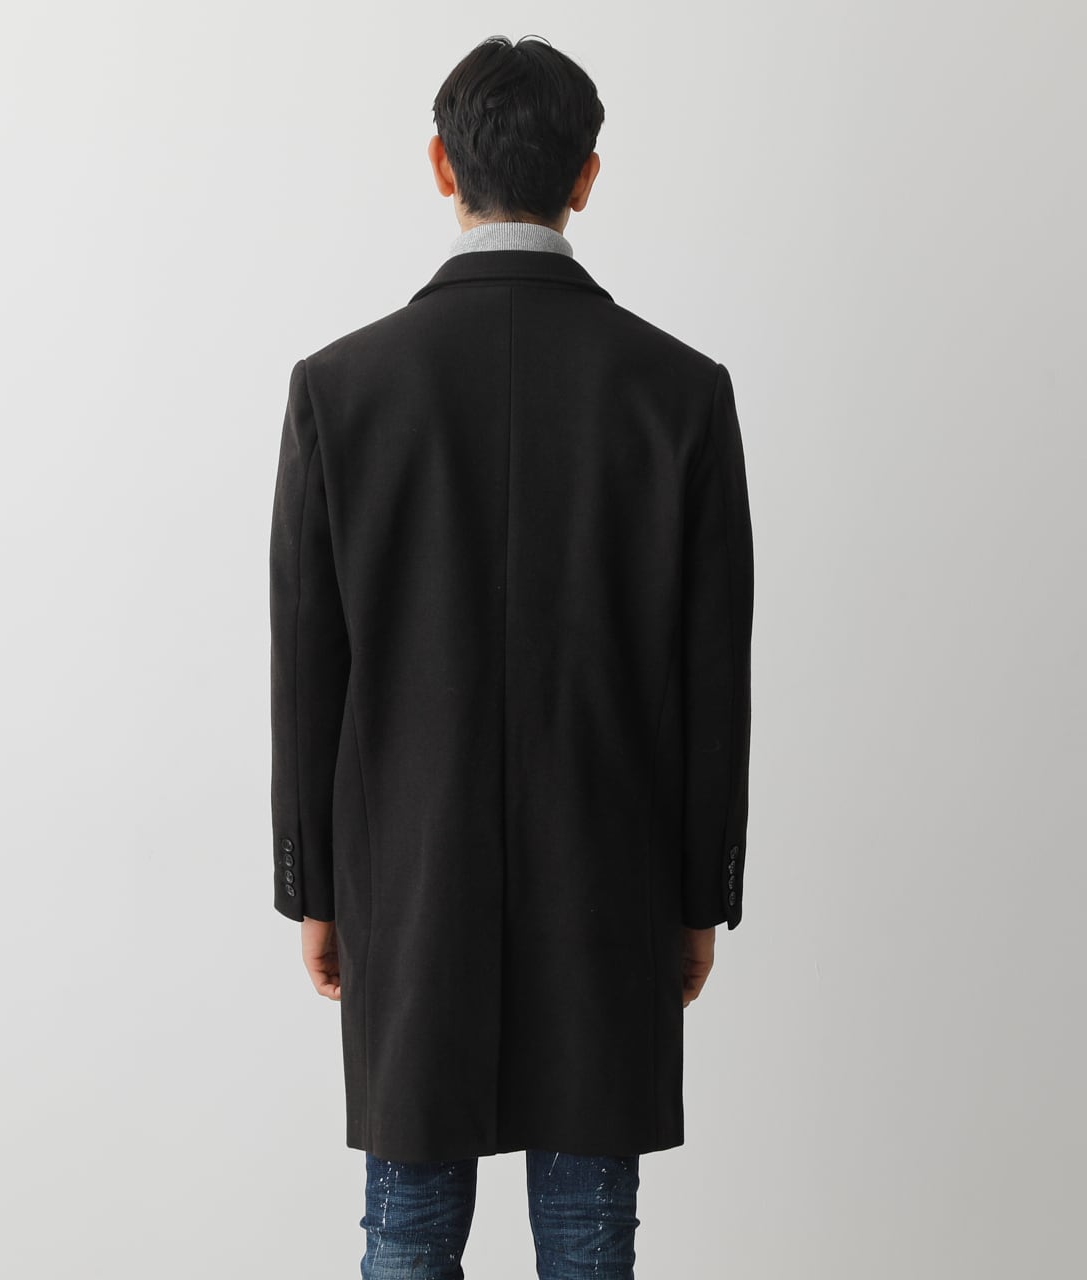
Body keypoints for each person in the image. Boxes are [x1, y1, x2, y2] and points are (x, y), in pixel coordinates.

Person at [268, 33, 755, 1280]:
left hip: (406, 878)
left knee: (405, 1230)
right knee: (589, 1238)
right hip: (611, 876)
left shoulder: (341, 389)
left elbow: (308, 664)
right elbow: (713, 674)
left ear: (441, 165)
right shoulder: (679, 393)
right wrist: (698, 893)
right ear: (587, 176)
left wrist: (313, 883)